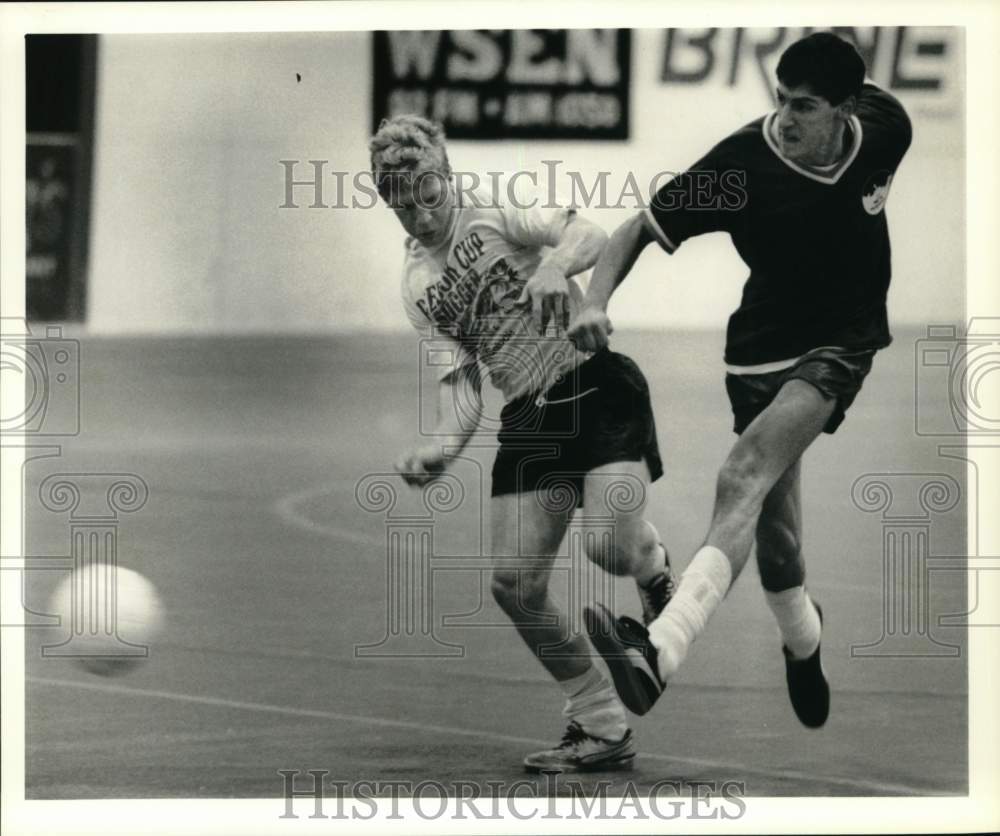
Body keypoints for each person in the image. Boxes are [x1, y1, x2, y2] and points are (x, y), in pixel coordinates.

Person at [567, 33, 912, 728]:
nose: (786, 116)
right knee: (777, 547)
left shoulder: (885, 131)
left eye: (805, 105)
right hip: (757, 354)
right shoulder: (741, 165)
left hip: (840, 344)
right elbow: (639, 227)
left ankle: (658, 652)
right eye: (780, 99)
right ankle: (804, 639)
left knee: (742, 473)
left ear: (848, 108)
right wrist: (598, 300)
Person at [369, 115, 676, 771]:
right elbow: (462, 391)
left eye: (429, 192)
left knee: (609, 547)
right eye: (403, 203)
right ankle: (598, 721)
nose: (422, 214)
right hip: (530, 417)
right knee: (514, 585)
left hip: (593, 383)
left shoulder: (493, 206)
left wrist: (555, 267)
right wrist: (440, 450)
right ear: (388, 202)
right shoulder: (418, 289)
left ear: (446, 177)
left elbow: (589, 234)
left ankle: (652, 563)